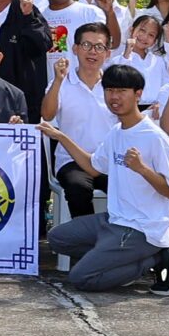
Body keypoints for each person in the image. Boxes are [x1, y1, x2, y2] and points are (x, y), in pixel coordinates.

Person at [44, 64, 169, 294]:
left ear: (138, 94)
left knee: (80, 278)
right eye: (109, 90)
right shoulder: (117, 132)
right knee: (57, 238)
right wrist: (61, 137)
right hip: (114, 219)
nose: (114, 97)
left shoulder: (155, 137)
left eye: (121, 91)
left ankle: (157, 258)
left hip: (142, 228)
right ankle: (120, 261)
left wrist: (142, 169)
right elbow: (93, 167)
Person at [42, 21, 119, 217]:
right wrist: (58, 81)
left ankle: (118, 234)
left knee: (128, 188)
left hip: (108, 160)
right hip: (71, 161)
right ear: (75, 49)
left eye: (99, 47)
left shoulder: (115, 85)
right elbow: (47, 115)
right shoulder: (61, 82)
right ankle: (85, 235)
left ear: (108, 53)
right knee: (78, 189)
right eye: (86, 45)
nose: (92, 51)